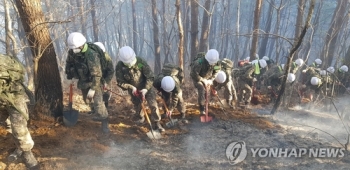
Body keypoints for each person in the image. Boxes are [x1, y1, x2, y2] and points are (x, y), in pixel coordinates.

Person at [65, 32, 109, 133]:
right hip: (83, 80)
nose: (74, 49)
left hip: (95, 81)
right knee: (87, 100)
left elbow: (97, 74)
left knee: (98, 104)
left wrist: (93, 89)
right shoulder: (72, 52)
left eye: (76, 47)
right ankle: (98, 112)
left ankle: (105, 121)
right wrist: (70, 76)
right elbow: (69, 64)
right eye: (72, 48)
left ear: (81, 45)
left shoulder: (91, 55)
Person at [0, 54, 38, 169]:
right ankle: (18, 147)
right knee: (7, 125)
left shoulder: (3, 63)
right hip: (1, 100)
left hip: (15, 99)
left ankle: (27, 154)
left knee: (19, 128)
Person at [115, 46, 164, 132]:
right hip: (134, 90)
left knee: (153, 105)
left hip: (146, 87)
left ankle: (156, 123)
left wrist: (146, 88)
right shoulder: (120, 67)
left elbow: (150, 77)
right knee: (138, 106)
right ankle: (140, 119)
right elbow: (120, 82)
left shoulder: (140, 62)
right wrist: (131, 87)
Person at [190, 49, 221, 115]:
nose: (211, 64)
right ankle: (201, 109)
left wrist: (211, 80)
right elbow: (194, 74)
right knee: (201, 88)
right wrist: (203, 80)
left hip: (208, 78)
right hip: (198, 78)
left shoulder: (217, 63)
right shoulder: (199, 63)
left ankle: (206, 105)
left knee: (207, 91)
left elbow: (216, 72)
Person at [93, 42, 115, 107]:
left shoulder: (107, 58)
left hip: (105, 77)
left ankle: (105, 105)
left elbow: (111, 71)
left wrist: (106, 81)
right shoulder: (92, 57)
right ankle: (95, 108)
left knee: (105, 92)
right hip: (95, 77)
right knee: (95, 93)